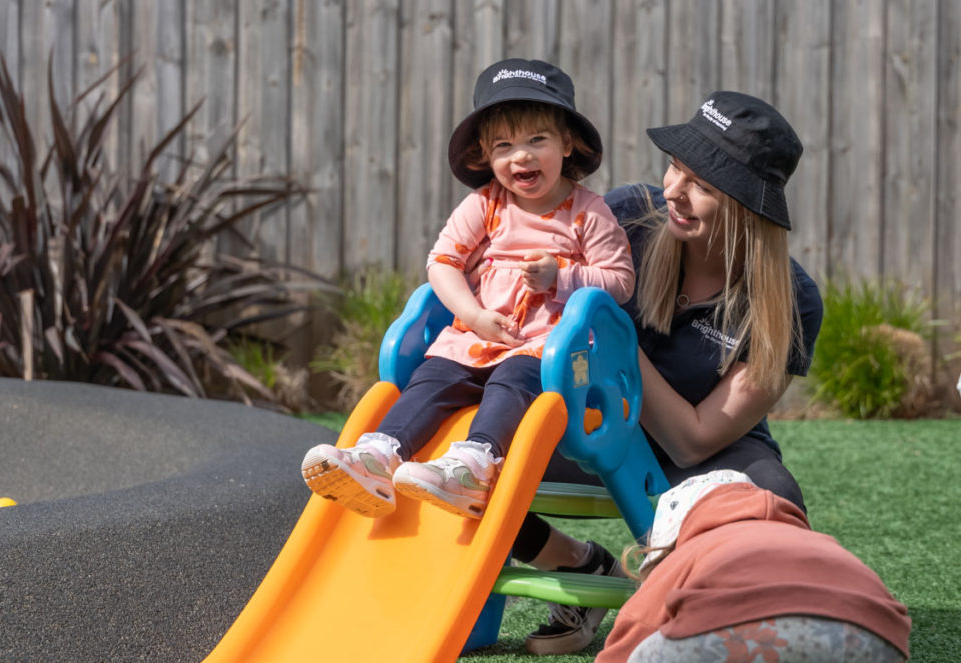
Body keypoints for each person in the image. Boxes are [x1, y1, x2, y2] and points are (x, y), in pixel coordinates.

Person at [515, 91, 825, 655]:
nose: (674, 191)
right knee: (474, 459)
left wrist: (615, 343)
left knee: (773, 499)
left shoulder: (792, 300)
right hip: (590, 422)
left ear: (747, 209)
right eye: (676, 169)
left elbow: (693, 440)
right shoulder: (629, 215)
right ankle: (581, 566)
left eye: (702, 185)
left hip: (702, 445)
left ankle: (728, 624)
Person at [301, 58, 635, 520]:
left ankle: (472, 465)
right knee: (433, 378)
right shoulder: (486, 204)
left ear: (567, 144)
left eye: (537, 139)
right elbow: (442, 263)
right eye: (504, 144)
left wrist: (563, 276)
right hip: (479, 336)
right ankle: (379, 456)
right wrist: (474, 317)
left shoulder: (588, 212)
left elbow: (619, 283)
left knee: (509, 383)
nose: (521, 155)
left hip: (548, 349)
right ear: (485, 154)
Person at [595, 470, 911, 662]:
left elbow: (637, 625)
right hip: (875, 633)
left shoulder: (691, 550)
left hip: (739, 633)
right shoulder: (816, 542)